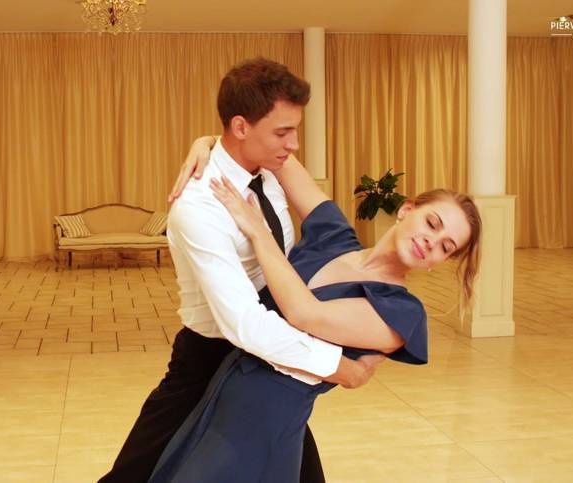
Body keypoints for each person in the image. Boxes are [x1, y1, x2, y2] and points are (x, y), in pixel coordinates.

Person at [99, 58, 383, 483]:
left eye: (295, 130)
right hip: (211, 358)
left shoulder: (270, 165)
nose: (294, 144)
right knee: (137, 474)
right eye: (283, 132)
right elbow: (244, 324)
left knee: (297, 467)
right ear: (241, 126)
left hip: (269, 357)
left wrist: (207, 140)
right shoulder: (199, 206)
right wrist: (342, 368)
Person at [148, 144, 482, 482]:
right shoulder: (334, 235)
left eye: (446, 246)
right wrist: (210, 142)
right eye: (432, 224)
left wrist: (257, 231)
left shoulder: (402, 313)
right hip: (222, 394)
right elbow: (274, 146)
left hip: (266, 423)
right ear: (406, 209)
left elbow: (304, 314)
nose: (432, 241)